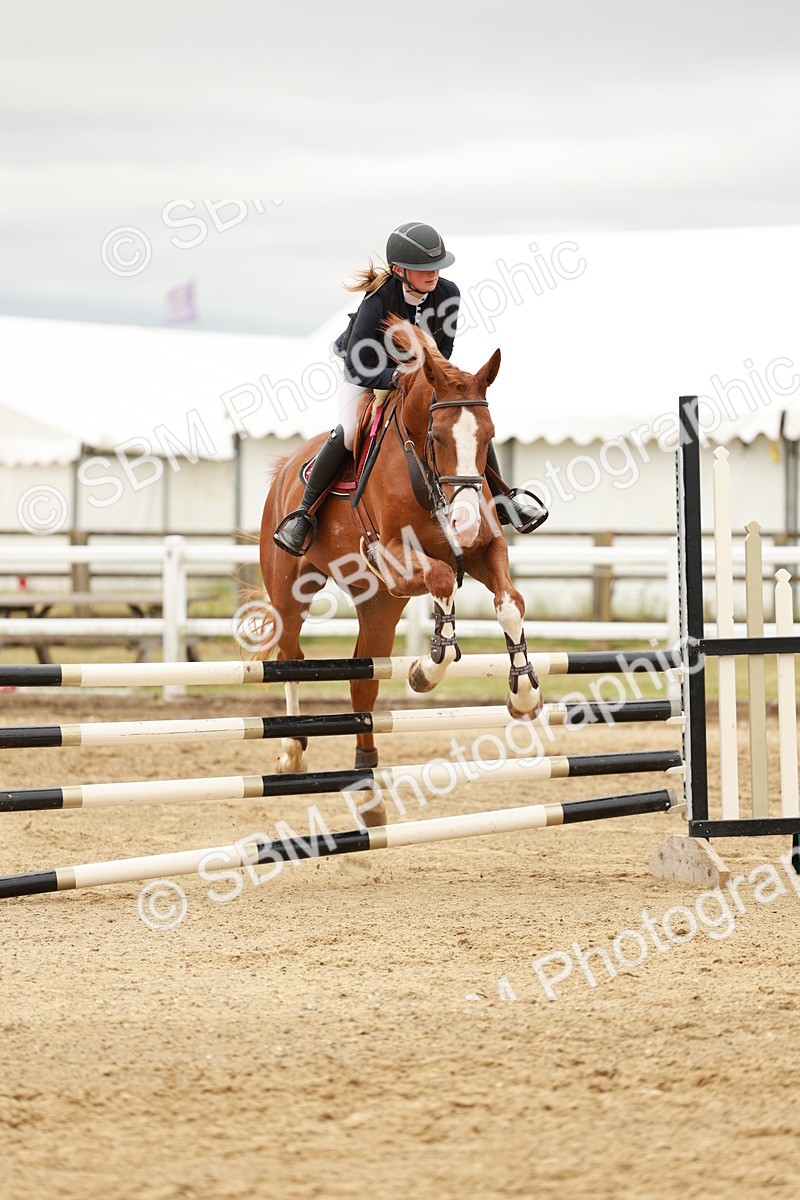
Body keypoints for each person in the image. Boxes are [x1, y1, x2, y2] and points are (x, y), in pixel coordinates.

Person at [273, 221, 545, 556]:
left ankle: (501, 501)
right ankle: (304, 513)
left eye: (436, 267)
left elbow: (442, 353)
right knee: (347, 432)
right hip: (368, 376)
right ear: (400, 269)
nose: (433, 275)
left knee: (464, 417)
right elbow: (357, 367)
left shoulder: (449, 294)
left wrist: (430, 383)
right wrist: (399, 379)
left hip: (419, 378)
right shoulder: (377, 302)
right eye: (423, 269)